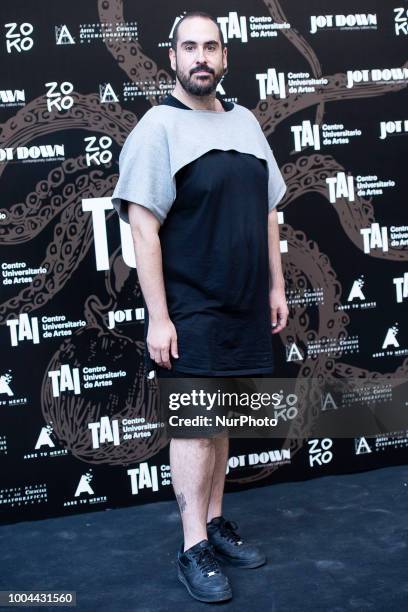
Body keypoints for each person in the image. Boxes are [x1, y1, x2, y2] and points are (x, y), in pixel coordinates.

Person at [111, 10, 288, 603]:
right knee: (195, 423)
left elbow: (267, 212)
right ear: (174, 59)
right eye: (190, 47)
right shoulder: (157, 128)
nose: (201, 57)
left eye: (211, 47)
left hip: (243, 303)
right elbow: (143, 230)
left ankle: (214, 523)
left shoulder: (245, 123)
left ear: (225, 57)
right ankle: (193, 548)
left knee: (222, 418)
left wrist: (276, 287)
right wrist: (159, 316)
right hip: (192, 304)